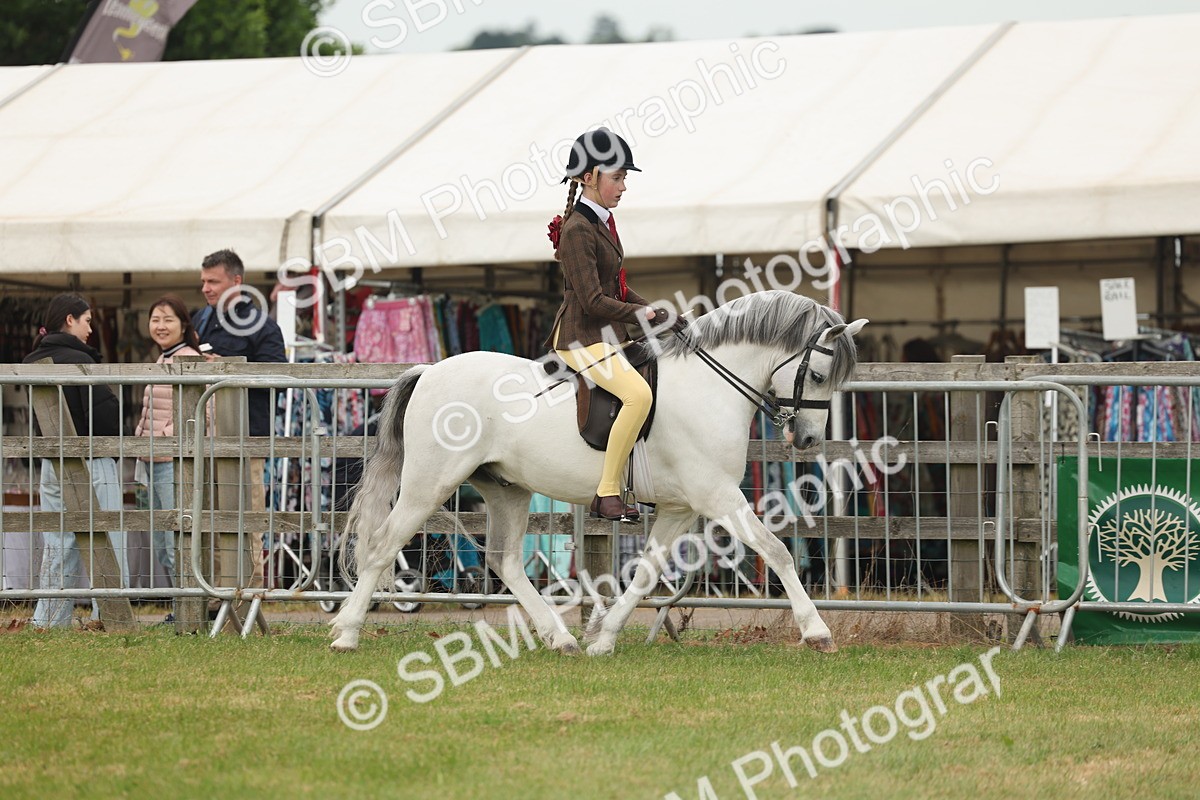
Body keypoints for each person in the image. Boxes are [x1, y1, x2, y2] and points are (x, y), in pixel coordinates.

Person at [544, 127, 684, 521]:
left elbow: (616, 288)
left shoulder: (601, 223)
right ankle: (606, 493)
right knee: (638, 396)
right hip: (580, 338)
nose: (624, 186)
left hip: (605, 335)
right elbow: (592, 300)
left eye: (625, 178)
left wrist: (661, 313)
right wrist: (643, 316)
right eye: (617, 177)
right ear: (588, 177)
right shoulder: (576, 229)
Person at [22, 293, 126, 628]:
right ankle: (108, 616)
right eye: (87, 320)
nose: (91, 329)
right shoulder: (81, 362)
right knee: (107, 539)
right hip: (92, 461)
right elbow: (106, 418)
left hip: (51, 464)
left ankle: (50, 619)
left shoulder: (30, 361)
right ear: (70, 319)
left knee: (56, 542)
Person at [192, 248, 286, 589]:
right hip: (202, 437)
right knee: (208, 520)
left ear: (236, 282)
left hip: (247, 437)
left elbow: (280, 381)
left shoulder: (262, 325)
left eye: (213, 281)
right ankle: (216, 593)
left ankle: (249, 595)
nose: (206, 288)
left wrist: (228, 368)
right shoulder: (199, 319)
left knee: (247, 519)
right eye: (203, 281)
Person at [134, 295, 202, 602]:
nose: (160, 326)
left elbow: (205, 412)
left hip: (171, 461)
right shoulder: (164, 358)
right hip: (152, 459)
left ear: (183, 324)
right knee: (162, 542)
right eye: (155, 319)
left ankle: (186, 612)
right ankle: (180, 608)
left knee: (175, 539)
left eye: (168, 319)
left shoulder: (188, 359)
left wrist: (164, 437)